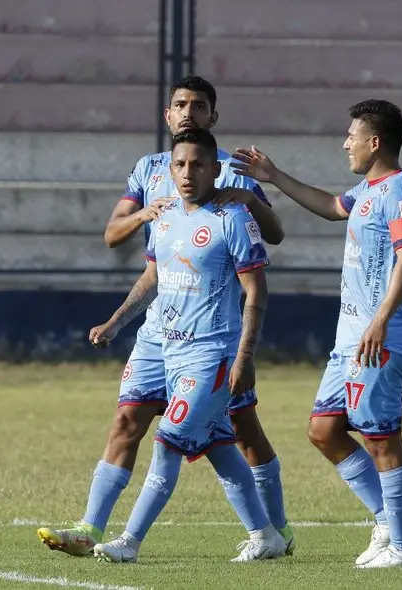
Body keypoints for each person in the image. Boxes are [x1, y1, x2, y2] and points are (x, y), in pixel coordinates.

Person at [37, 76, 294, 556]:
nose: (188, 112)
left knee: (237, 432)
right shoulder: (153, 179)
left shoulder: (233, 192)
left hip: (212, 341)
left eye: (199, 106)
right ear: (167, 115)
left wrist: (255, 200)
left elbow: (267, 253)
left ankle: (268, 528)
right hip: (160, 337)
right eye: (180, 104)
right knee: (143, 426)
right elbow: (133, 253)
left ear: (213, 124)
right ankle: (92, 529)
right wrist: (117, 320)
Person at [230, 99, 402, 568]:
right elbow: (332, 206)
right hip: (350, 340)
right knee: (324, 430)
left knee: (381, 438)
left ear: (374, 142)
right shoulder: (367, 190)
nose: (346, 143)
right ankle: (389, 518)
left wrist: (380, 319)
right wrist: (274, 177)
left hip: (382, 337)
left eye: (352, 136)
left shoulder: (401, 193)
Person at [86, 128, 286, 563]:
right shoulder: (164, 216)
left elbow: (256, 291)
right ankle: (266, 534)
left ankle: (130, 541)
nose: (188, 172)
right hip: (169, 353)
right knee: (217, 446)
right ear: (169, 169)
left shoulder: (232, 217)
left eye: (198, 164)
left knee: (168, 439)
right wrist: (115, 323)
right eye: (180, 164)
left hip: (213, 355)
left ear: (216, 168)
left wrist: (244, 355)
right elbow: (153, 279)